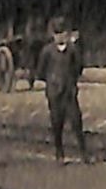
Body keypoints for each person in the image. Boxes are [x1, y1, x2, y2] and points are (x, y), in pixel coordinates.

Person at [36, 19, 92, 164]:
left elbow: (79, 67)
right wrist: (51, 81)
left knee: (76, 122)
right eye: (57, 34)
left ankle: (84, 154)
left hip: (69, 92)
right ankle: (59, 153)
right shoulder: (47, 51)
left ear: (66, 34)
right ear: (53, 35)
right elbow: (41, 72)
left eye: (62, 33)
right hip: (54, 94)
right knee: (57, 123)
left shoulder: (73, 50)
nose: (60, 37)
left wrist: (71, 81)